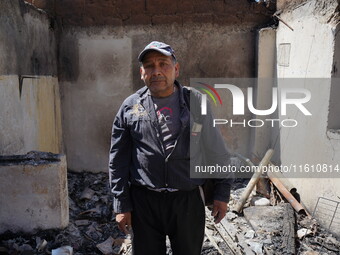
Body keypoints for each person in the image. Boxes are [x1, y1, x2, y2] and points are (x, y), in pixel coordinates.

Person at [109, 41, 233, 255]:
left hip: (187, 200)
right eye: (149, 66)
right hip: (144, 202)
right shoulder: (131, 106)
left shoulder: (195, 102)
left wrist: (222, 194)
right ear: (142, 73)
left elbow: (216, 150)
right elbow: (117, 159)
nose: (156, 71)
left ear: (176, 69)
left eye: (163, 64)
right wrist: (121, 204)